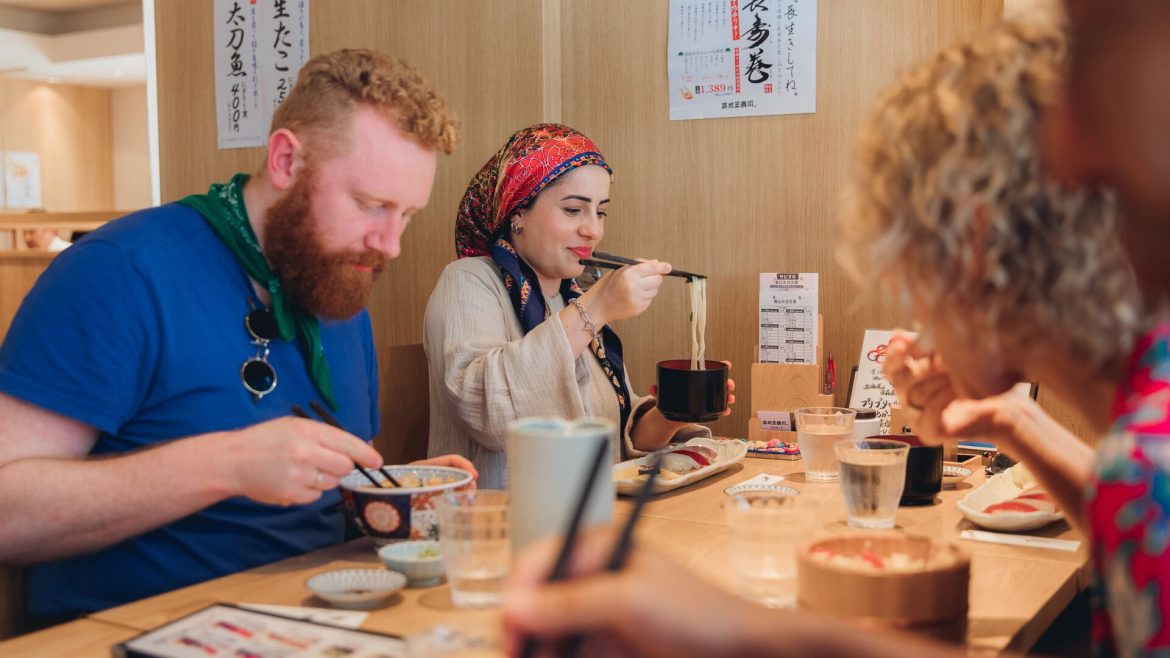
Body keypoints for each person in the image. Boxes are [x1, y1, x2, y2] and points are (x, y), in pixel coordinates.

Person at [504, 19, 1146, 658]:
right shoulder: (1146, 426)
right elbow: (1137, 520)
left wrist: (738, 630)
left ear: (972, 246)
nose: (916, 314)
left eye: (907, 274)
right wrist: (1011, 420)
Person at [0, 49, 474, 627]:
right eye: (370, 205)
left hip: (323, 621)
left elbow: (320, 506)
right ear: (285, 160)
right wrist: (225, 464)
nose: (390, 244)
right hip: (137, 631)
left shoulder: (338, 283)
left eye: (407, 215)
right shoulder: (119, 271)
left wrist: (393, 492)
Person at [425, 124, 734, 488]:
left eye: (600, 212)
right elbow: (486, 413)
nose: (593, 230)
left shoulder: (570, 296)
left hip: (589, 520)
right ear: (516, 214)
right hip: (499, 526)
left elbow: (612, 437)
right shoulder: (469, 280)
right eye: (573, 210)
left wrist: (670, 414)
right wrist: (597, 307)